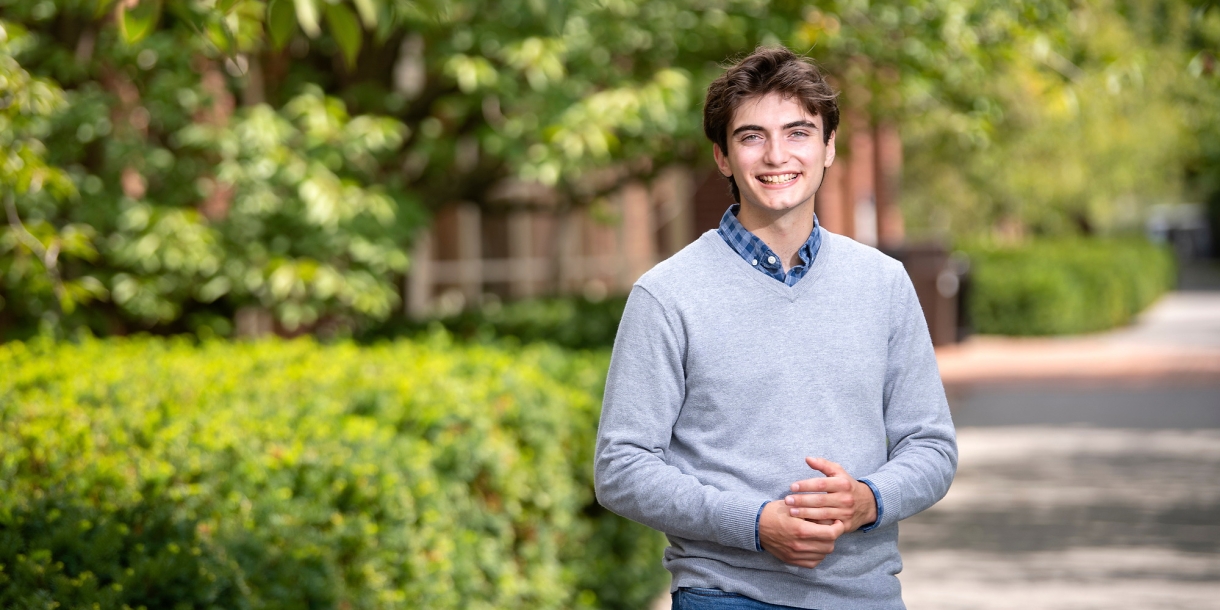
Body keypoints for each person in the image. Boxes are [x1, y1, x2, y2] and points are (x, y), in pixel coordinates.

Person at [593, 46, 958, 609]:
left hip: (865, 597)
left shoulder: (884, 284)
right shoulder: (666, 295)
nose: (776, 155)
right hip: (726, 595)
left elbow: (930, 445)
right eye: (751, 136)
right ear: (722, 157)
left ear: (829, 147)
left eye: (798, 132)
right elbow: (621, 467)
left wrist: (869, 499)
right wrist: (755, 523)